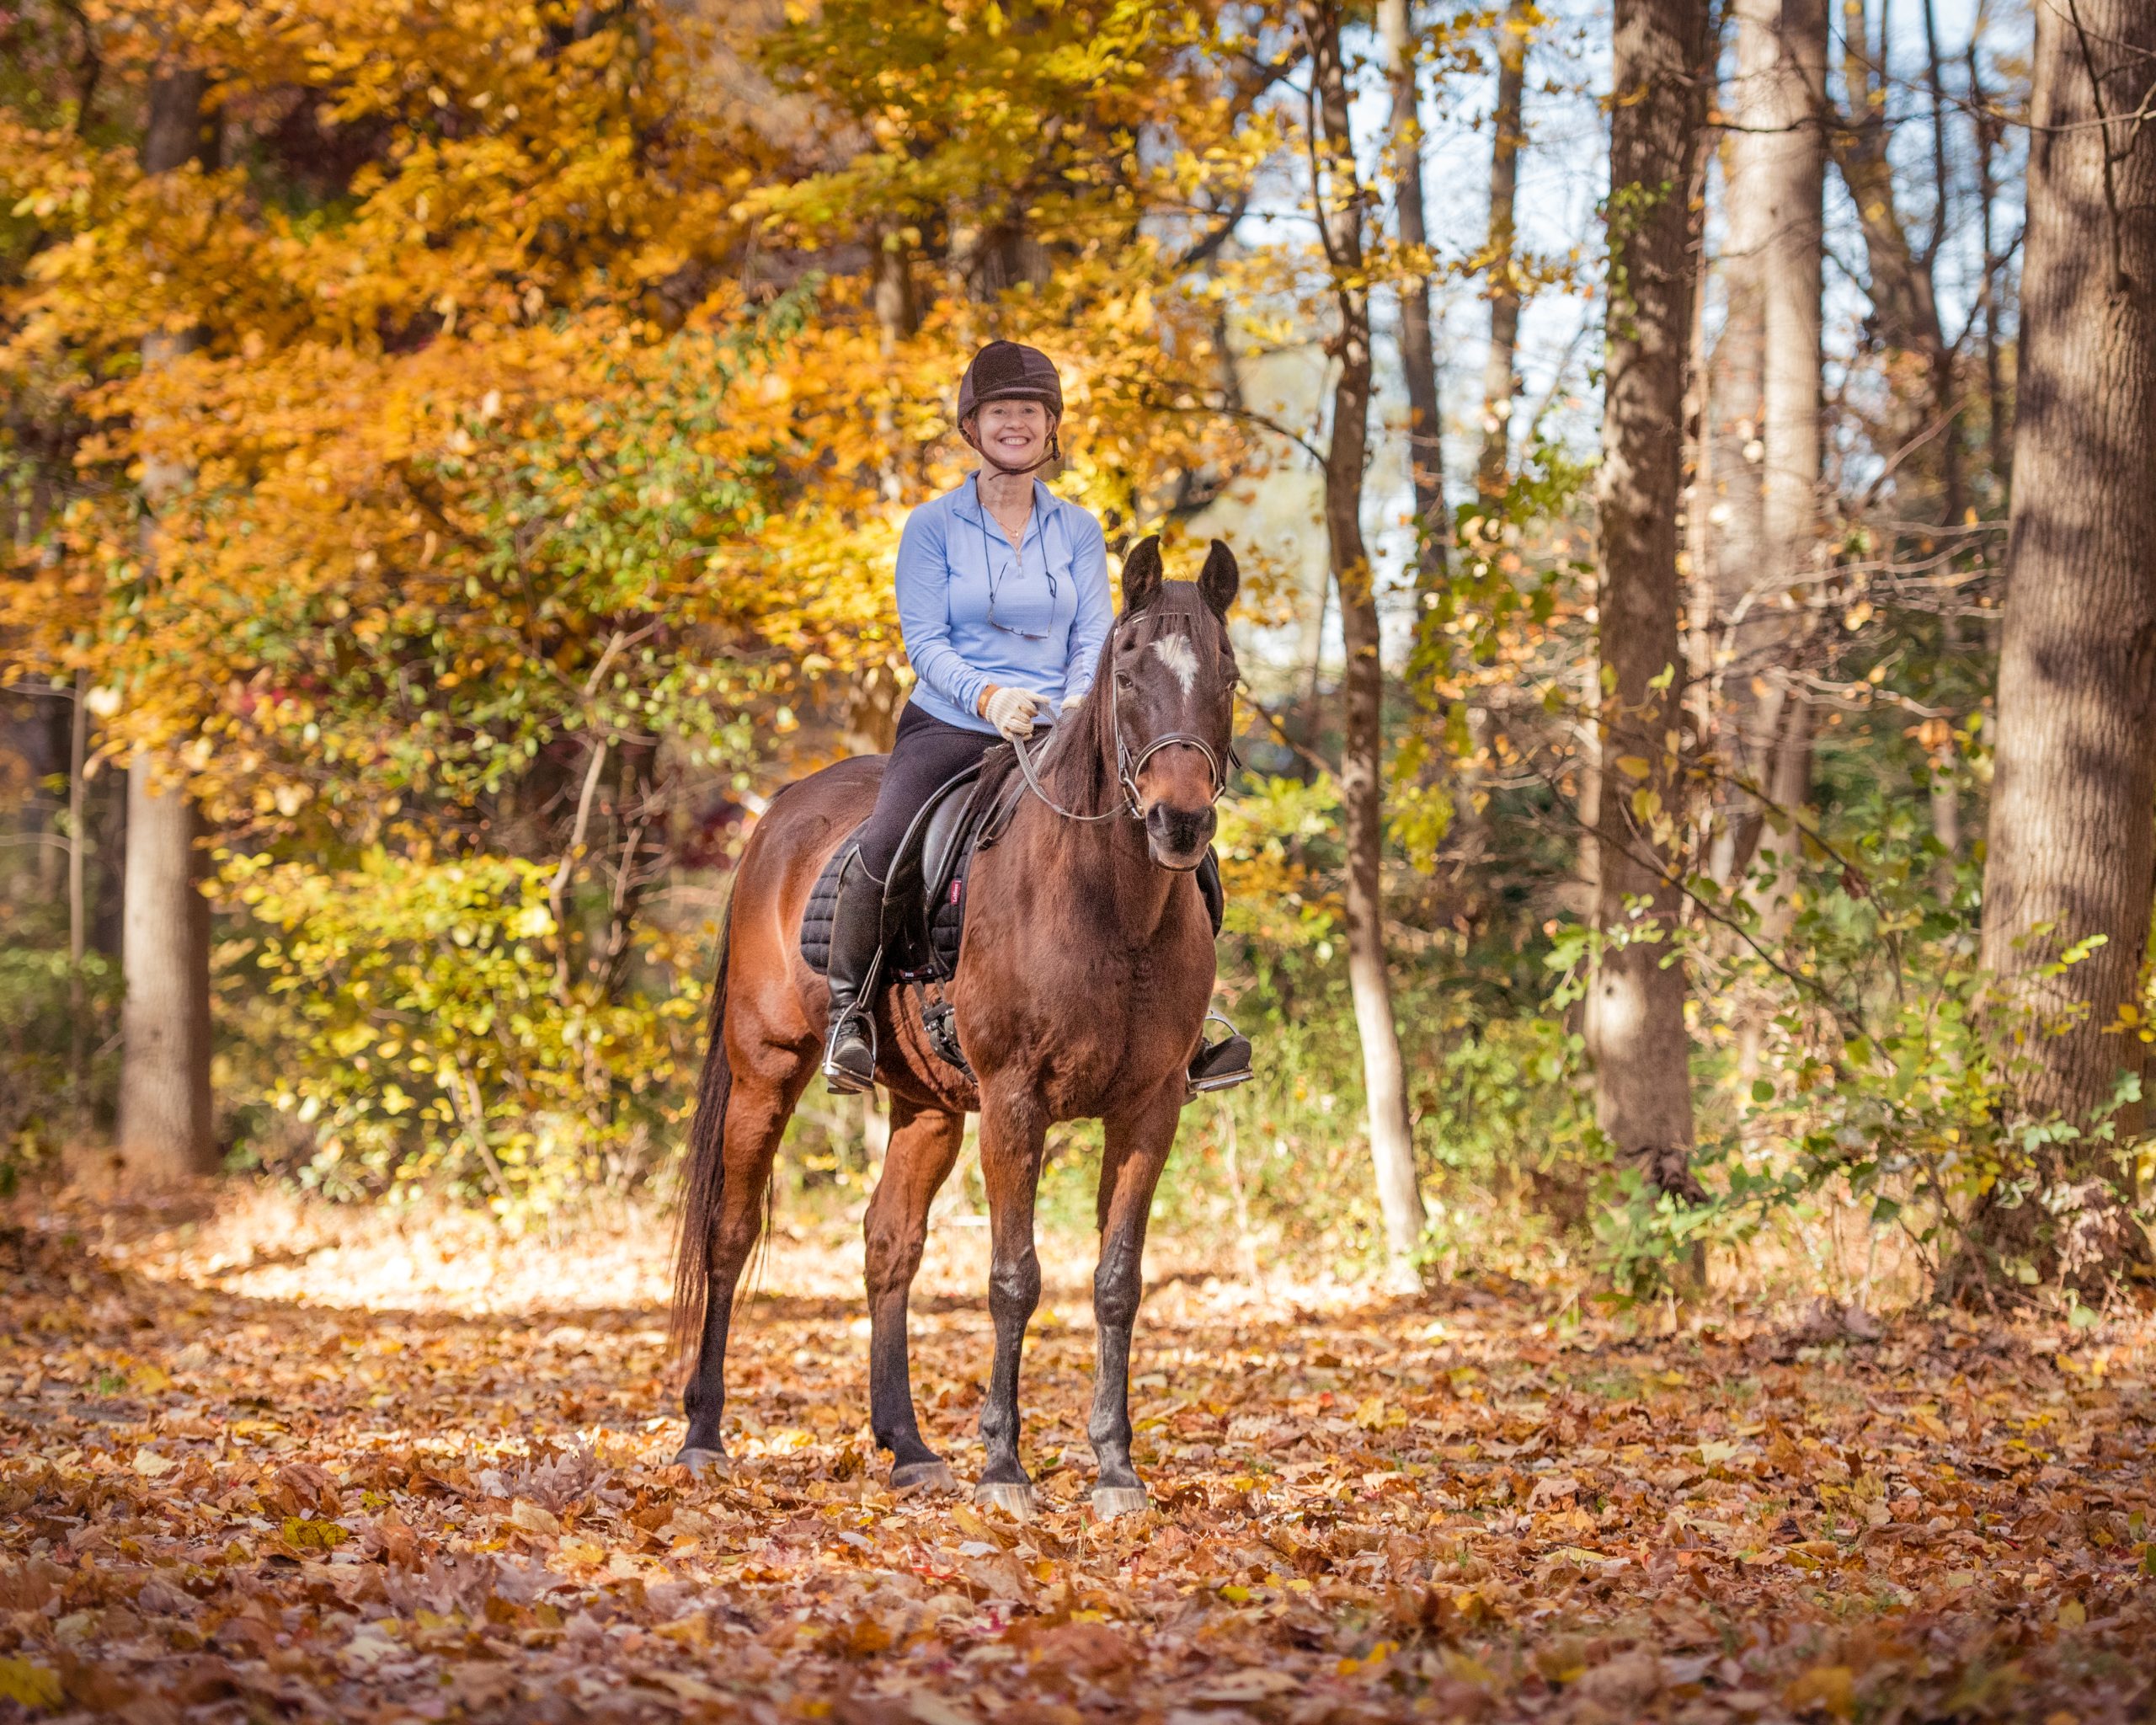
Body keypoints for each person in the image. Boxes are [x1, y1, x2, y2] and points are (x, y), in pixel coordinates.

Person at [820, 339, 1251, 1098]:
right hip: (954, 721)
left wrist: (1080, 707)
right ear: (973, 425)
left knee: (1192, 852)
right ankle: (850, 1014)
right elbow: (923, 639)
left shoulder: (1079, 531)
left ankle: (1189, 1027)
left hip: (1065, 726)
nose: (1014, 423)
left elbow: (1096, 632)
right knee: (886, 843)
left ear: (1049, 430)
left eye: (1029, 411)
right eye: (999, 411)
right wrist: (990, 698)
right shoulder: (932, 527)